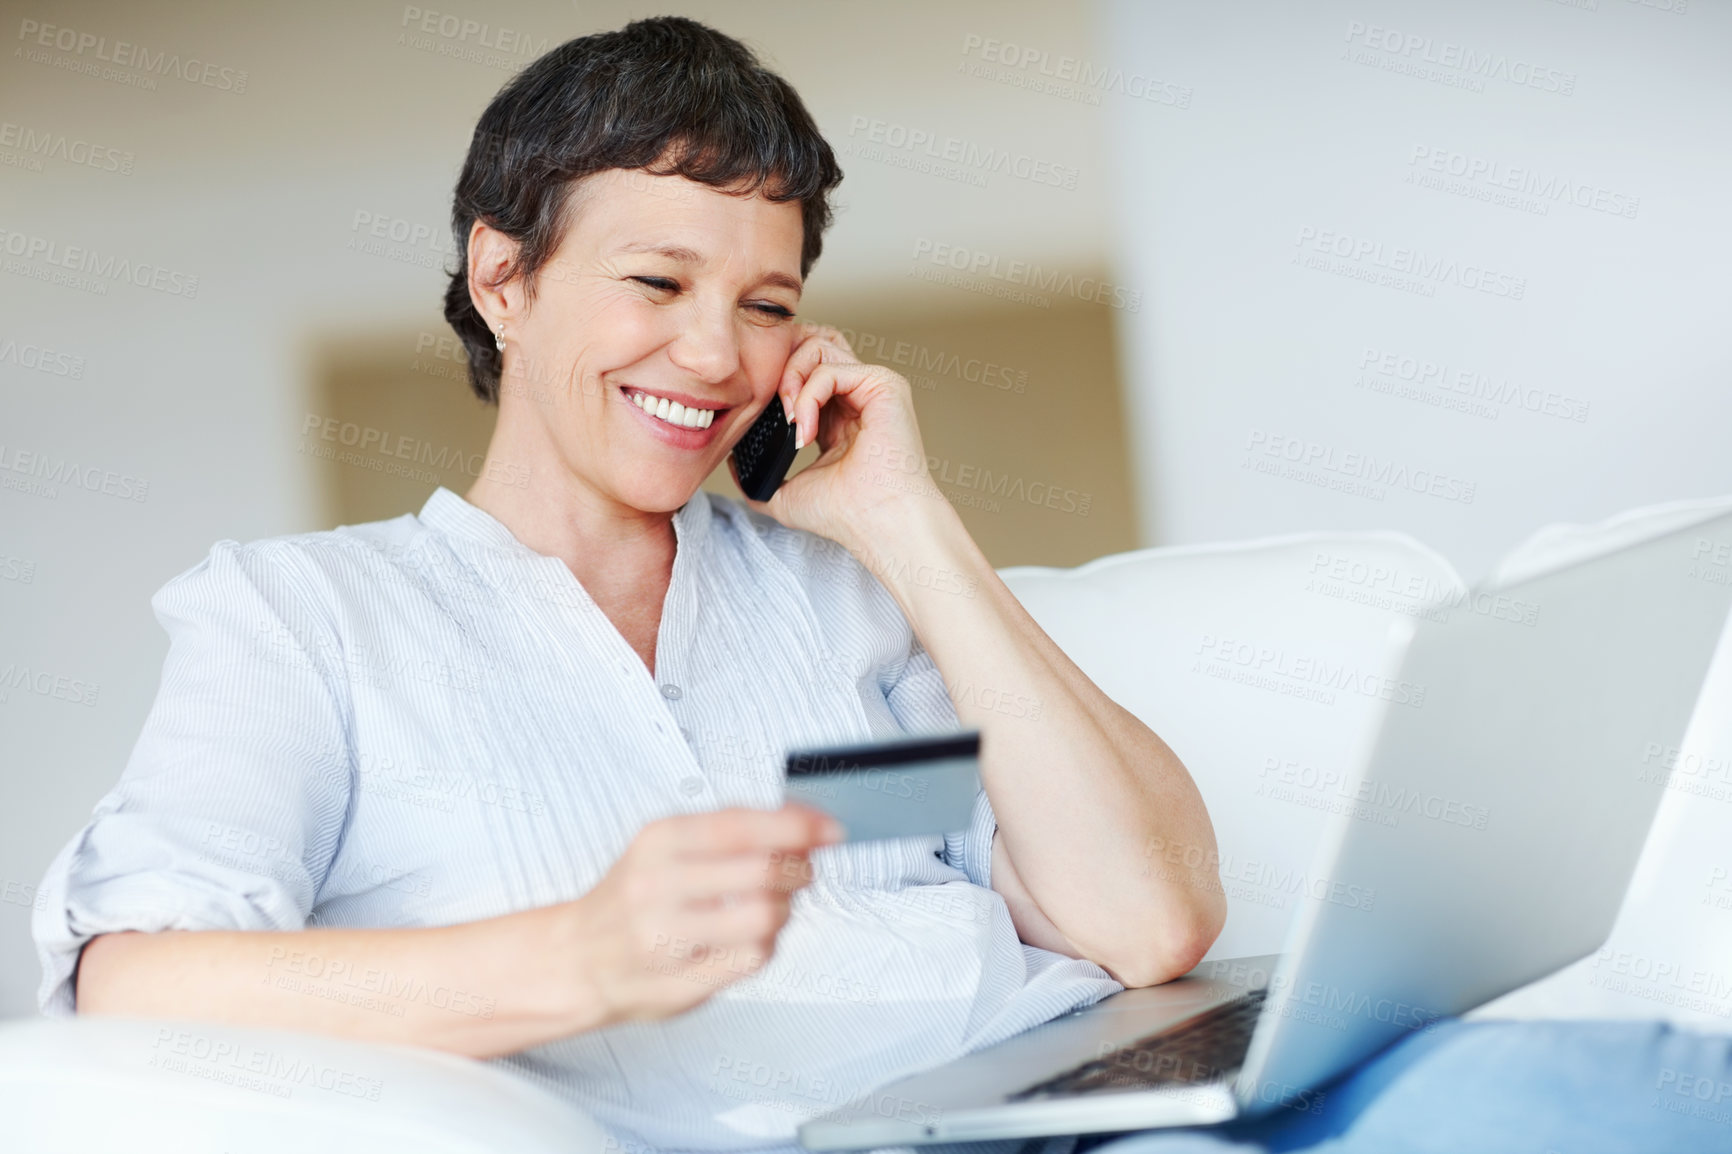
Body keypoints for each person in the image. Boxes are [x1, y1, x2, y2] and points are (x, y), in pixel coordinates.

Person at [32, 17, 1224, 1154]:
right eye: (657, 283)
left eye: (767, 306)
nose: (717, 357)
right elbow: (135, 976)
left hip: (1089, 1107)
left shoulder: (843, 600)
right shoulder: (304, 617)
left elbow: (1147, 919)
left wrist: (907, 525)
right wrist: (581, 956)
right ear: (503, 280)